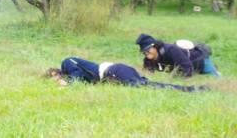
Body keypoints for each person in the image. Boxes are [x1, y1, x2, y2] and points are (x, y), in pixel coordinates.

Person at [45, 57, 206, 92]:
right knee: (147, 87)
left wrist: (67, 83)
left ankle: (192, 90)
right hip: (116, 72)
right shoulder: (73, 74)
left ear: (55, 72)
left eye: (54, 77)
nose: (56, 79)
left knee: (146, 86)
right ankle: (193, 89)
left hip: (114, 71)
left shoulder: (67, 62)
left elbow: (77, 72)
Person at [136, 33, 220, 77]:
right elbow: (147, 74)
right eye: (143, 51)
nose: (146, 53)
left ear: (155, 46)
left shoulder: (171, 49)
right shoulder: (148, 59)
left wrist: (185, 81)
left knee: (217, 78)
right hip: (183, 68)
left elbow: (187, 67)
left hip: (200, 61)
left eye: (147, 50)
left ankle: (214, 69)